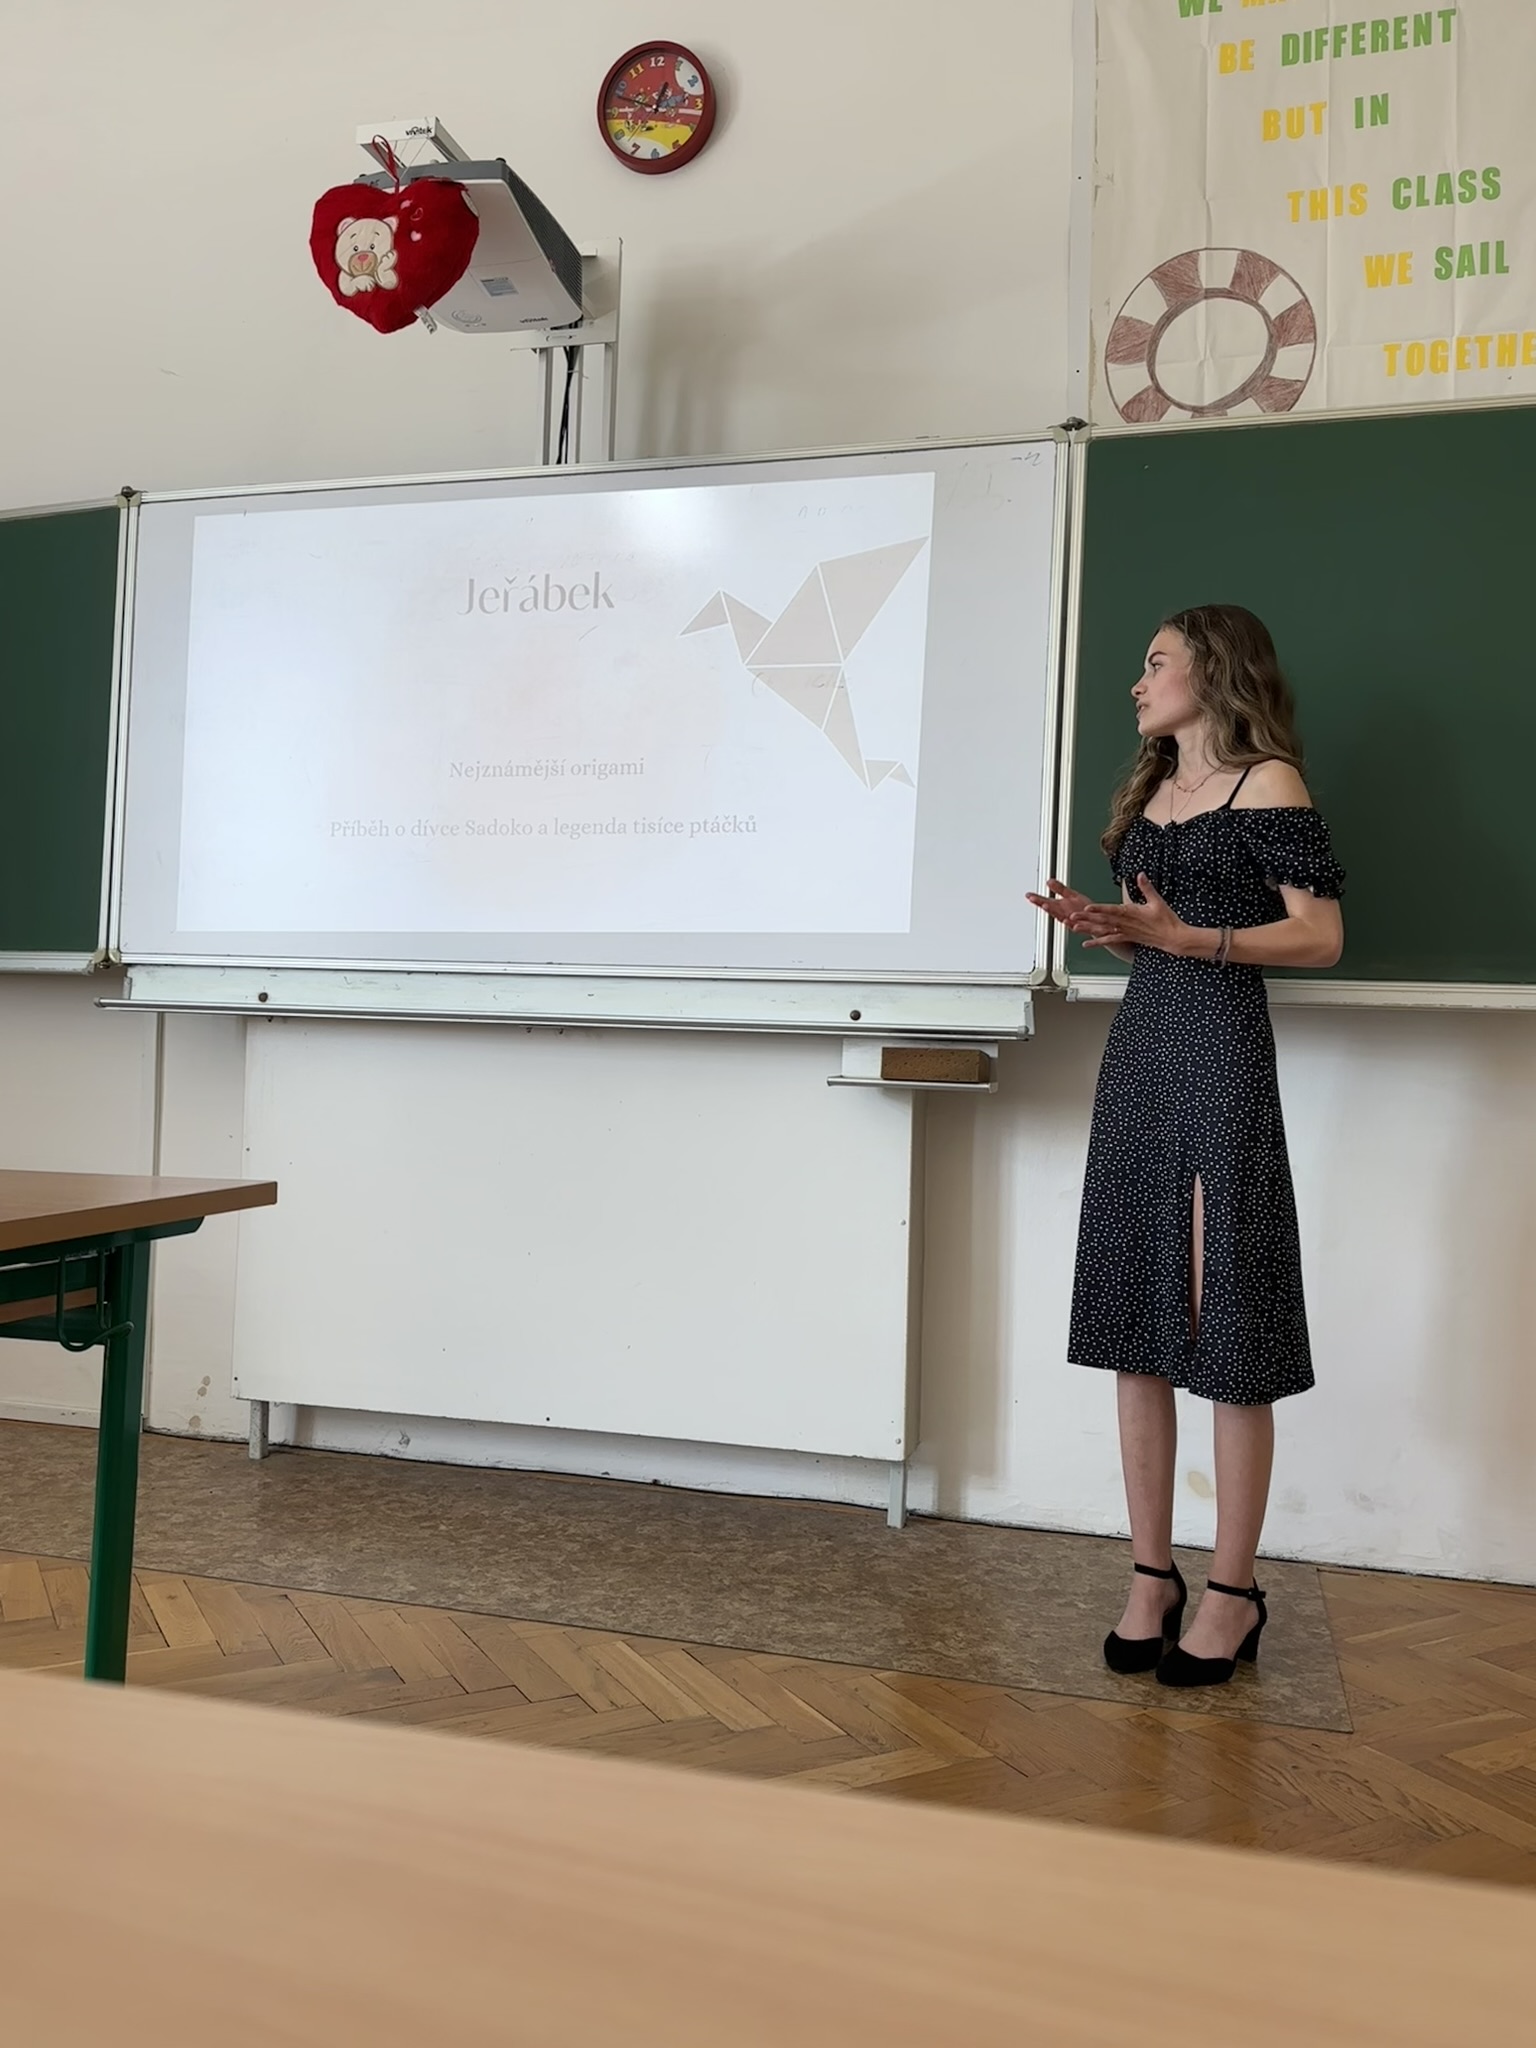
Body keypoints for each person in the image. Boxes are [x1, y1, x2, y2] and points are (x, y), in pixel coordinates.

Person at [1028, 604, 1344, 1689]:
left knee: (1227, 1321)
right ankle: (1151, 1575)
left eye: (1155, 662)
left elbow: (1321, 934)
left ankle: (1234, 1590)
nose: (1138, 681)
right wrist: (1119, 929)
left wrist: (1183, 934)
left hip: (1221, 1050)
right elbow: (1158, 935)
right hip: (1141, 1052)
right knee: (1138, 1317)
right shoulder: (1152, 788)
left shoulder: (1270, 782)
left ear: (1214, 670)